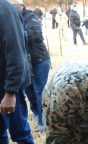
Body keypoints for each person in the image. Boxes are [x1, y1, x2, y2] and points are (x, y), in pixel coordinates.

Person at [0, 0, 36, 144]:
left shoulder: (4, 10)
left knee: (20, 131)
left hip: (8, 86)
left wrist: (10, 92)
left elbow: (16, 52)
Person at [17, 3, 51, 132]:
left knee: (39, 91)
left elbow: (32, 34)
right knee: (28, 89)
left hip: (39, 60)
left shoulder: (32, 17)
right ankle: (36, 112)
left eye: (15, 5)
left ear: (21, 5)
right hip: (25, 62)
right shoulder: (14, 18)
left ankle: (43, 121)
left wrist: (13, 34)